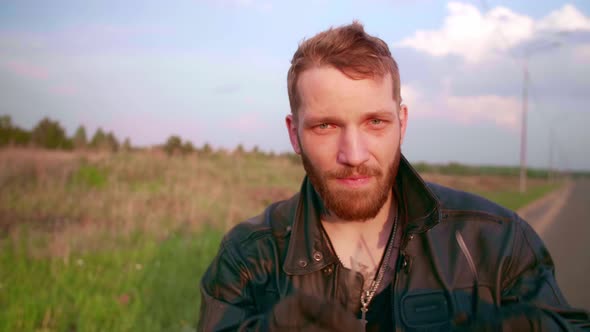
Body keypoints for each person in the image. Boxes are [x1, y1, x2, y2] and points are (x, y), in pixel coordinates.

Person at [197, 22, 590, 331]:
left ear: (401, 122)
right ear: (293, 133)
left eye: (375, 122)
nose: (353, 155)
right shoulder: (249, 259)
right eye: (325, 126)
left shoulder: (498, 242)